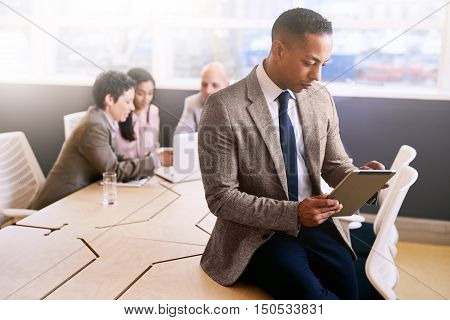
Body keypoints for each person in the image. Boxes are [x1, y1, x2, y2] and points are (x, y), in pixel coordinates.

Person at [198, 8, 386, 299]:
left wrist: (361, 179)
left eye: (324, 63)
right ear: (279, 49)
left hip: (315, 224)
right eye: (309, 62)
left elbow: (334, 164)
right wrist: (294, 213)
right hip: (256, 235)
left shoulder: (319, 97)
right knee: (311, 296)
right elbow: (221, 198)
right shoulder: (223, 106)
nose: (318, 74)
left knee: (350, 289)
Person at [30, 71, 160, 210]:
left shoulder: (102, 120)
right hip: (58, 206)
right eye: (128, 101)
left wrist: (145, 162)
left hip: (81, 198)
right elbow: (112, 170)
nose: (132, 107)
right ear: (110, 99)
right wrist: (154, 162)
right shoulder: (94, 127)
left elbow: (114, 159)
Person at [174, 61, 229, 134]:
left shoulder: (239, 105)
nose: (208, 91)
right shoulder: (192, 103)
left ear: (227, 87)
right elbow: (181, 136)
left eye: (215, 85)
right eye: (204, 84)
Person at [116, 68, 160, 159]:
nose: (146, 99)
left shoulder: (153, 111)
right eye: (140, 93)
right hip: (125, 170)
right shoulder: (119, 114)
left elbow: (155, 146)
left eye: (150, 93)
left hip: (148, 169)